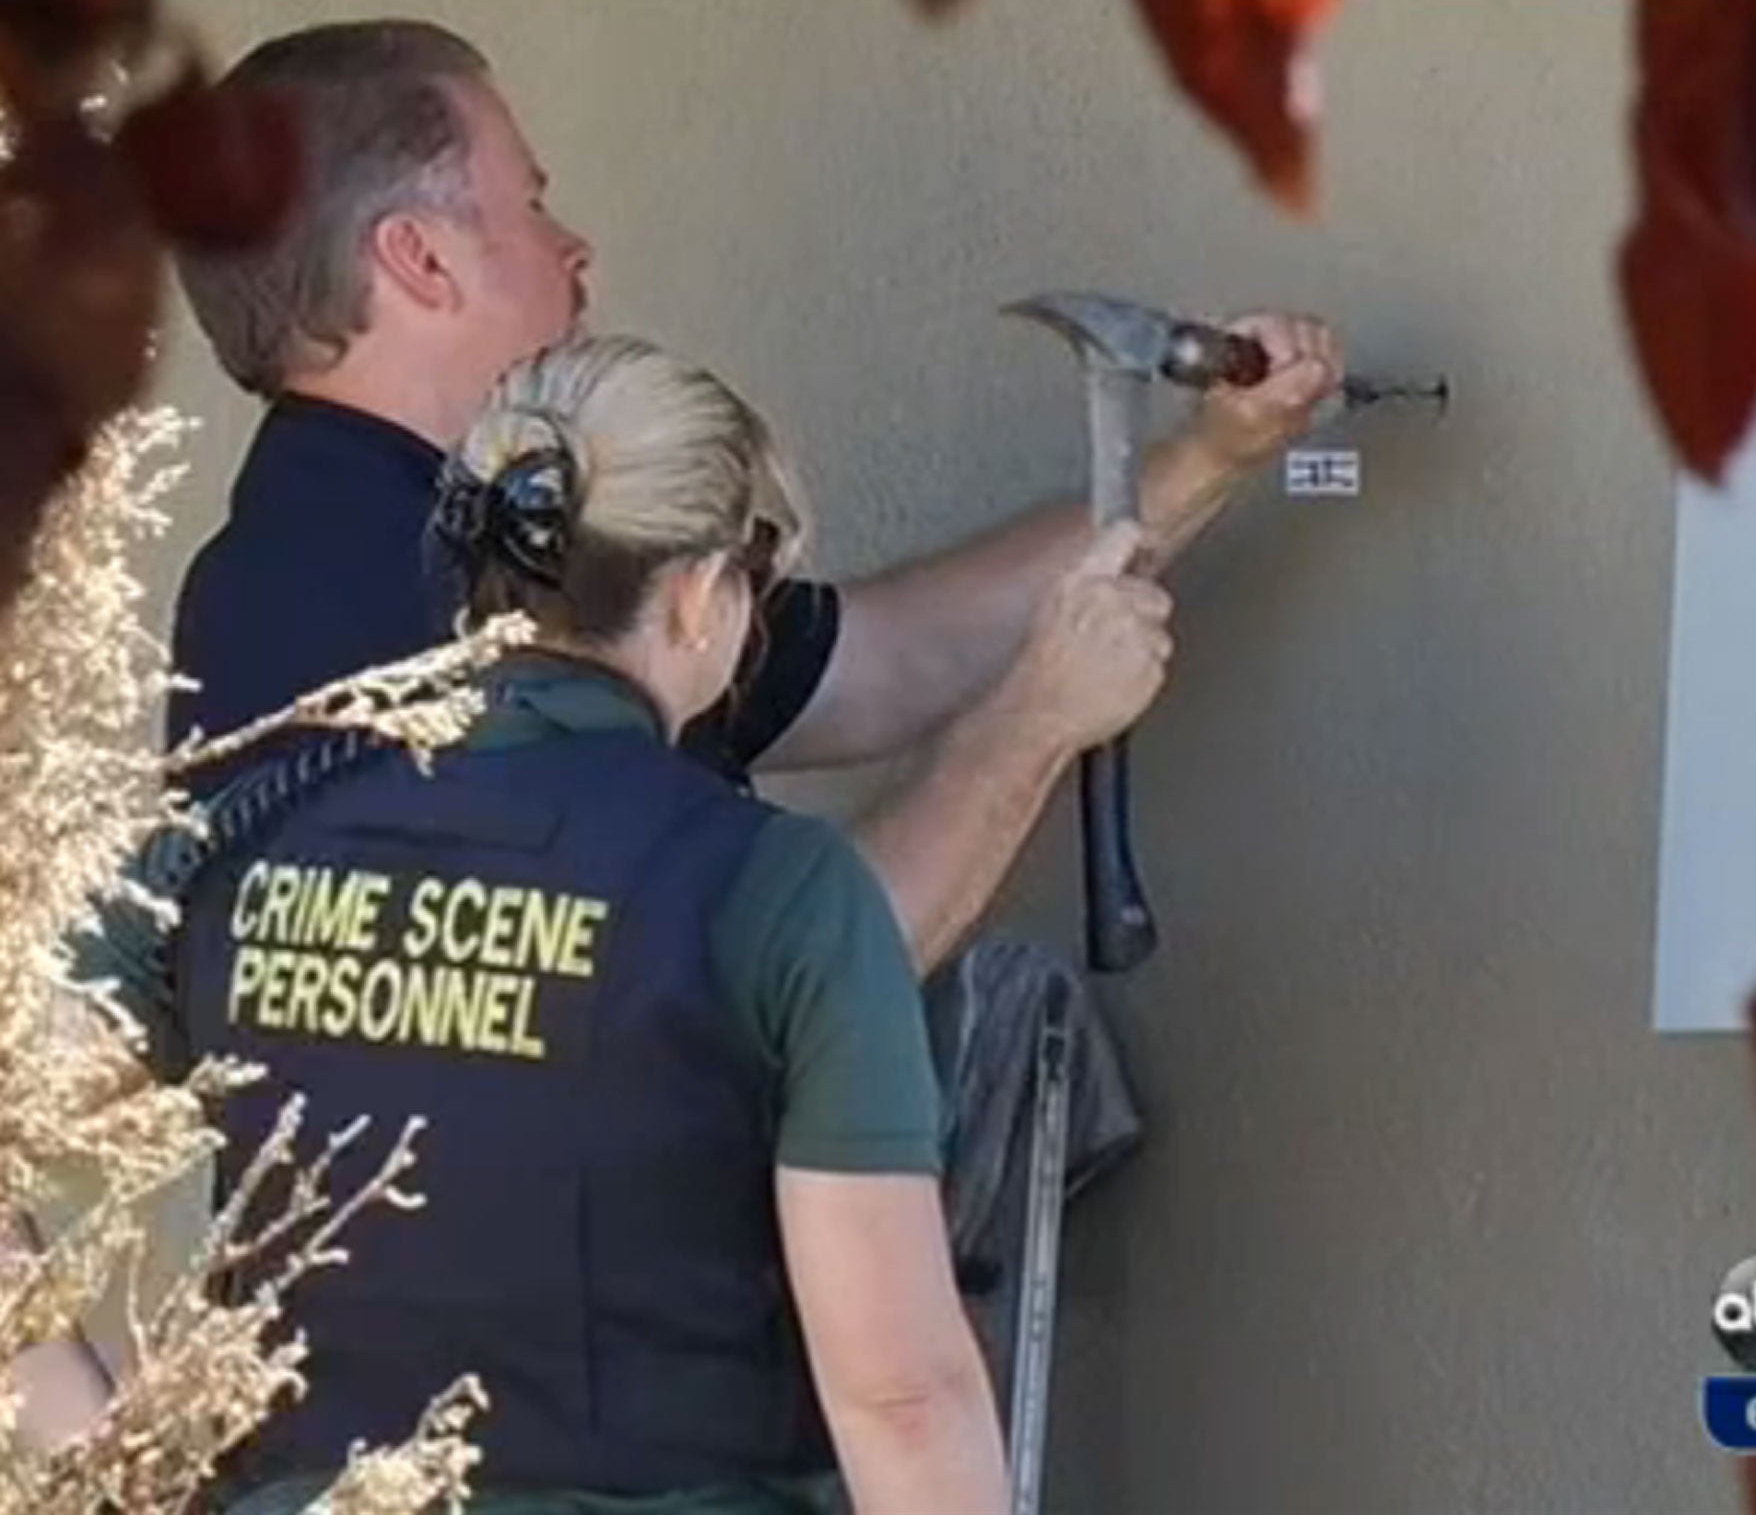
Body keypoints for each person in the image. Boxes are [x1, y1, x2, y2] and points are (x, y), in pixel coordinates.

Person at [65, 334, 1118, 1514]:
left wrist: (98, 1466)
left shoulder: (236, 843)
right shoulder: (773, 888)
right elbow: (904, 1401)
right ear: (693, 597)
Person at [166, 19, 1344, 976]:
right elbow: (770, 994)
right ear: (419, 259)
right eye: (531, 204)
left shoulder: (426, 537)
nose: (574, 248)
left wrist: (1204, 460)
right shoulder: (400, 603)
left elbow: (878, 666)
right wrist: (1031, 727)